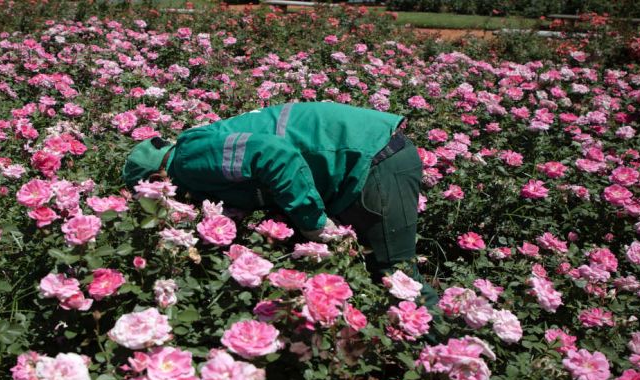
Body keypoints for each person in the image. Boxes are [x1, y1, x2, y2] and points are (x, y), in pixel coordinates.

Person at [122, 101, 438, 307]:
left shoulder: (187, 161)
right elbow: (257, 175)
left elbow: (272, 153)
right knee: (371, 273)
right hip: (366, 155)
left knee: (400, 278)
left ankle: (445, 353)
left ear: (158, 177)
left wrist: (313, 223)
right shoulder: (200, 147)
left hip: (373, 159)